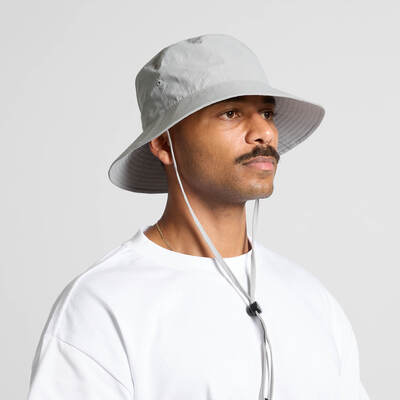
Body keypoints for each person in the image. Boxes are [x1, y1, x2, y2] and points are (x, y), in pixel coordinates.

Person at [27, 34, 370, 400]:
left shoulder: (311, 298)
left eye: (267, 113)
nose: (264, 132)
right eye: (231, 113)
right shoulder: (102, 304)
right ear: (164, 143)